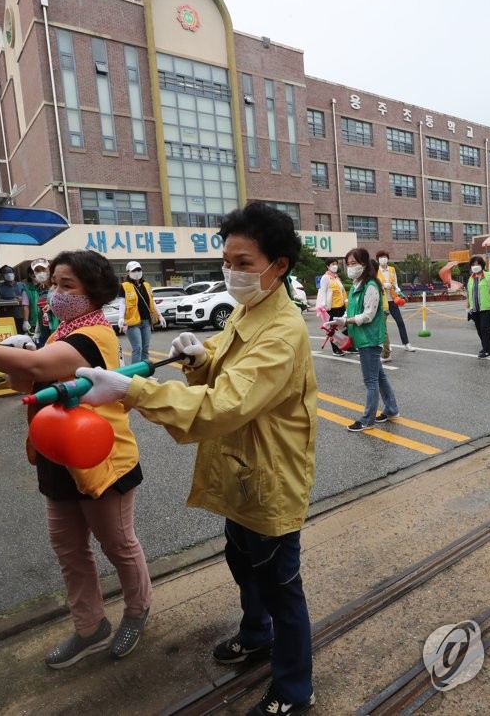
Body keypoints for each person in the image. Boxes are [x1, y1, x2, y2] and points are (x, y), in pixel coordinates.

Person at [74, 202, 317, 716]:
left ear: (279, 266)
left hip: (269, 476)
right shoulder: (250, 311)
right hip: (241, 469)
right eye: (227, 259)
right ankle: (256, 636)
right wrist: (203, 358)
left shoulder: (283, 330)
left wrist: (134, 390)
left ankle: (295, 689)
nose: (232, 270)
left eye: (245, 262)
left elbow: (227, 405)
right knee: (242, 560)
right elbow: (224, 377)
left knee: (281, 586)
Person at [0, 250, 154, 669]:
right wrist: (19, 350)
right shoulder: (62, 331)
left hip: (99, 458)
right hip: (57, 455)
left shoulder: (94, 336)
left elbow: (37, 365)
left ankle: (138, 610)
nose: (55, 292)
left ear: (94, 292)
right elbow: (26, 378)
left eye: (67, 285)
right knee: (69, 548)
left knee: (119, 545)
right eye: (53, 283)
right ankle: (90, 627)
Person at [330, 247, 400, 432]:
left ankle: (367, 420)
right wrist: (339, 322)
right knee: (379, 376)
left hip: (369, 338)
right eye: (348, 264)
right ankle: (392, 409)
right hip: (362, 337)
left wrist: (345, 320)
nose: (350, 267)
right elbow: (351, 310)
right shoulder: (355, 285)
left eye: (354, 263)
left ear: (364, 264)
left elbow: (368, 315)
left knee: (370, 381)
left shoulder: (371, 286)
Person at [117, 261, 163, 364]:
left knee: (145, 348)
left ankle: (145, 373)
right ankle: (136, 374)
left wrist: (160, 315)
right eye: (134, 270)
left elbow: (152, 301)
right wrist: (120, 317)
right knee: (137, 348)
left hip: (146, 321)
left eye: (139, 270)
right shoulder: (124, 286)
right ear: (128, 272)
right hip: (133, 323)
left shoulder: (146, 285)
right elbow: (122, 304)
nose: (137, 272)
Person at [375, 250, 414, 354]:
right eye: (380, 257)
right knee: (383, 325)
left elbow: (395, 282)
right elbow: (374, 285)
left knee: (400, 322)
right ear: (378, 259)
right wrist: (383, 286)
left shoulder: (392, 269)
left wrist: (397, 289)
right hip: (382, 301)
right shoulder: (375, 271)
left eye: (384, 257)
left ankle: (406, 344)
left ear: (387, 258)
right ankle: (387, 345)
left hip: (393, 300)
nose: (383, 259)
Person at [465, 255, 490, 359]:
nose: (475, 266)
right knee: (479, 330)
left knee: (484, 329)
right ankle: (484, 348)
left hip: (486, 308)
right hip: (474, 308)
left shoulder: (489, 276)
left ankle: (487, 351)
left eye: (477, 264)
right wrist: (467, 308)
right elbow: (468, 294)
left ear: (482, 265)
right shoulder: (471, 279)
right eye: (473, 265)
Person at [315, 256, 348, 356]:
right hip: (332, 307)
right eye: (332, 264)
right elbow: (323, 291)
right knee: (333, 329)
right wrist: (323, 304)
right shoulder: (325, 277)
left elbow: (341, 291)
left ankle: (346, 346)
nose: (335, 266)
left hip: (341, 306)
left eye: (336, 264)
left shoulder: (336, 277)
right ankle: (336, 349)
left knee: (344, 327)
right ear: (327, 266)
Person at [27, 258, 57, 347]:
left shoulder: (57, 286)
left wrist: (51, 306)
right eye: (37, 271)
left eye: (43, 269)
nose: (40, 273)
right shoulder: (41, 288)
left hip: (57, 329)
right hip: (46, 329)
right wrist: (37, 332)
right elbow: (40, 312)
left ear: (49, 269)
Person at [0, 264, 30, 334]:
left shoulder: (22, 285)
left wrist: (22, 298)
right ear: (2, 276)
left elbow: (29, 297)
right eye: (6, 273)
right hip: (8, 317)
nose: (9, 275)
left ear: (14, 274)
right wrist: (11, 300)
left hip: (22, 316)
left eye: (10, 272)